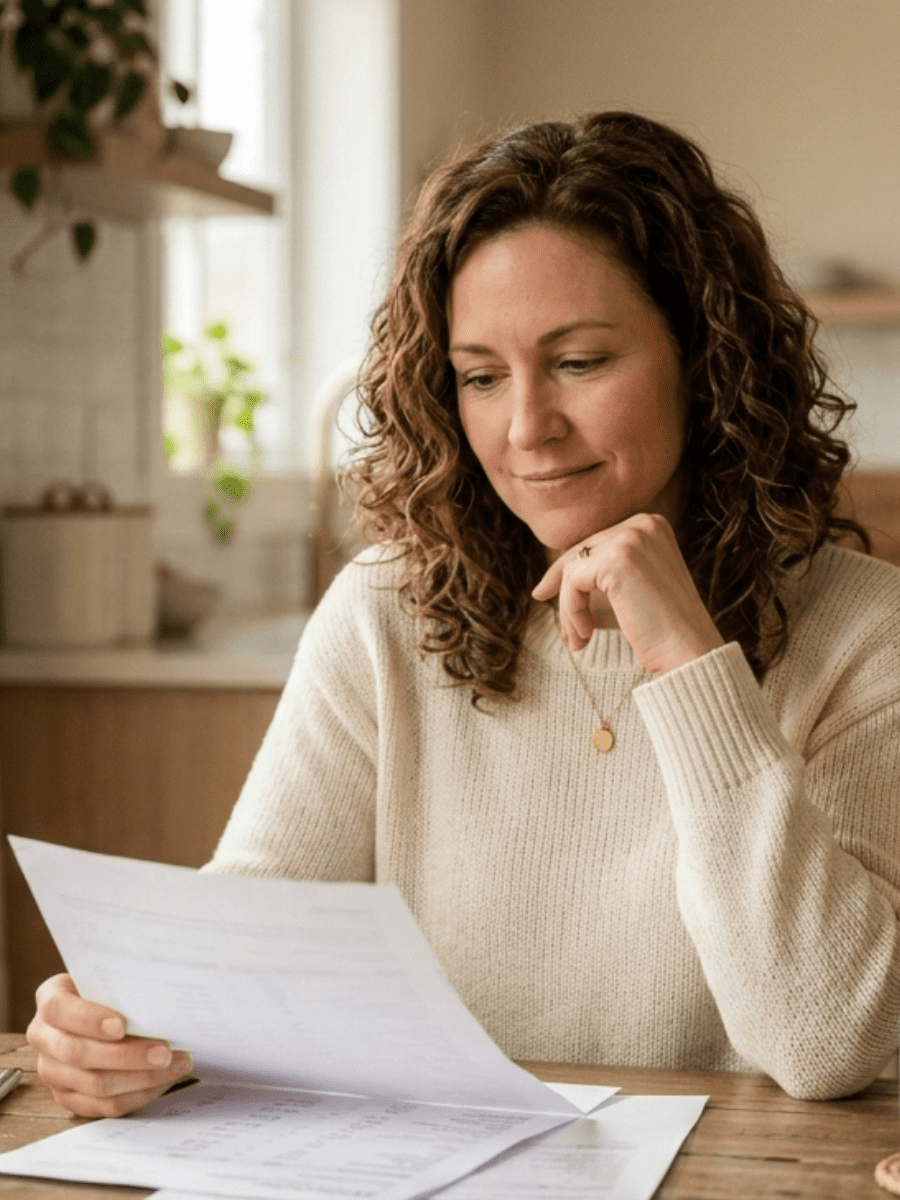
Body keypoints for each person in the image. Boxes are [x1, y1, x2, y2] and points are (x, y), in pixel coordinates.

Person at [28, 111, 900, 1116]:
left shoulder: (865, 632)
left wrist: (692, 665)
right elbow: (242, 946)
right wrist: (121, 1026)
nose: (527, 427)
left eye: (579, 362)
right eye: (482, 376)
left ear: (703, 362)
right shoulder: (381, 616)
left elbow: (828, 1039)